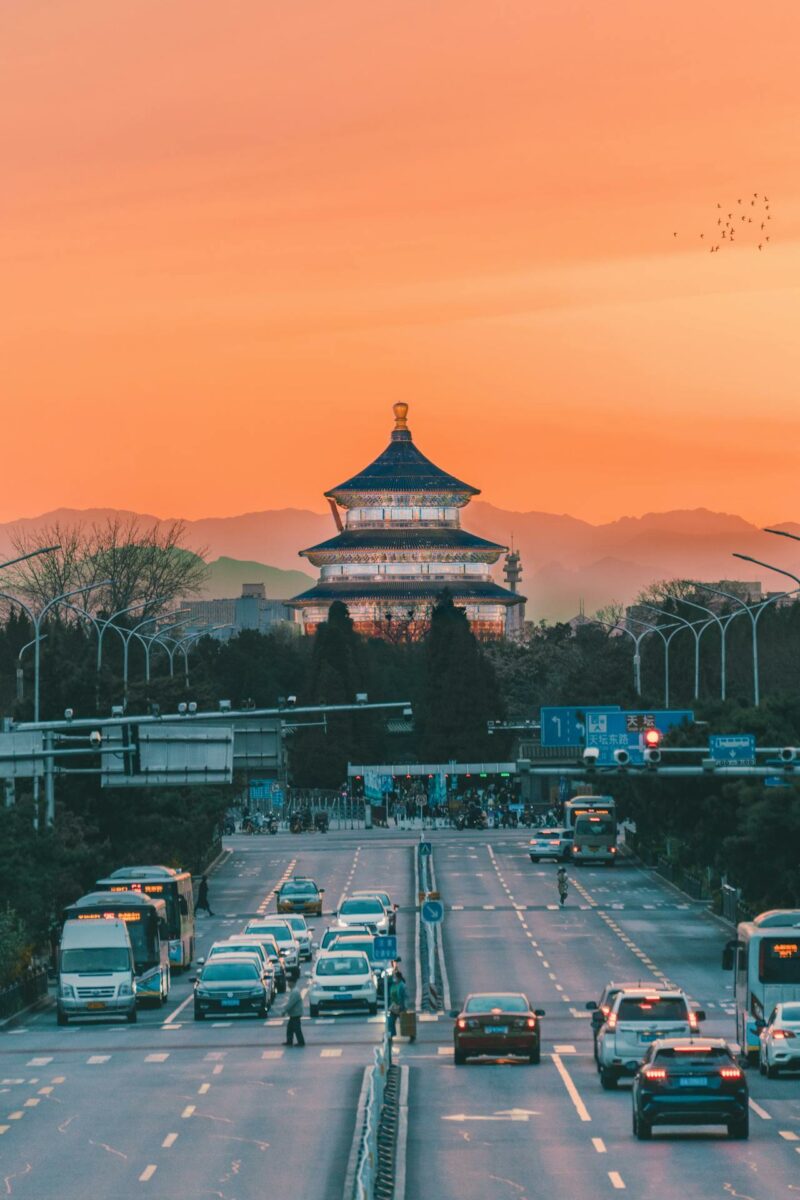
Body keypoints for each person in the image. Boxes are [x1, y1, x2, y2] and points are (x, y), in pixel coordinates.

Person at [284, 969, 305, 1046]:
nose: (288, 984)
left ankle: (301, 1042)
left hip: (296, 1014)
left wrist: (284, 1011)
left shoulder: (295, 992)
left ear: (292, 983)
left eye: (289, 982)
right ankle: (289, 1041)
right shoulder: (294, 991)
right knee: (290, 1028)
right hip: (294, 1013)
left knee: (296, 1029)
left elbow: (290, 1004)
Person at [387, 967, 407, 1037]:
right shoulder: (392, 984)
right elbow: (387, 979)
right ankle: (390, 1036)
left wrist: (403, 1006)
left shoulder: (402, 986)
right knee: (390, 1022)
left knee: (405, 1023)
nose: (394, 978)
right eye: (393, 977)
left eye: (395, 977)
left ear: (399, 978)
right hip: (393, 1007)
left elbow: (405, 997)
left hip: (401, 1007)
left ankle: (411, 1035)